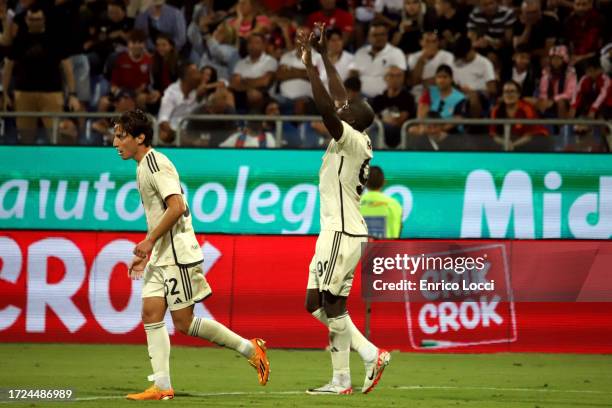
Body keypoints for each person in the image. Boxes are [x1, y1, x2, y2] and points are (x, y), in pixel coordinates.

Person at [112, 110, 270, 401]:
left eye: (121, 136)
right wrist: (150, 249)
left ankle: (251, 348)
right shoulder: (143, 166)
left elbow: (177, 206)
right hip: (161, 255)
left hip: (177, 255)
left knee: (184, 323)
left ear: (140, 137)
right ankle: (161, 386)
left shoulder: (156, 163)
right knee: (150, 314)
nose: (114, 142)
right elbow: (172, 210)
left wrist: (148, 241)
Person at [296, 23, 390, 396]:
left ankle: (366, 357)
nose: (341, 106)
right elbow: (336, 97)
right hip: (336, 231)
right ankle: (343, 376)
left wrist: (308, 67)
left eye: (347, 109)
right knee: (317, 304)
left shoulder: (350, 138)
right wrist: (322, 54)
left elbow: (325, 107)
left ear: (352, 119)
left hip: (343, 231)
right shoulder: (357, 134)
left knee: (331, 305)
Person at [349, 20, 407, 98]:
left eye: (382, 34)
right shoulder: (360, 52)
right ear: (369, 37)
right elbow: (353, 75)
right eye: (375, 35)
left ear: (387, 36)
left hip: (385, 98)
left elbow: (400, 79)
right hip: (360, 98)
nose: (379, 38)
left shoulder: (396, 53)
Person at [490, 80, 551, 151]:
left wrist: (513, 145)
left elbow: (530, 134)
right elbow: (493, 134)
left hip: (533, 141)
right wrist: (505, 143)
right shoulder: (496, 110)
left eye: (512, 91)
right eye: (506, 92)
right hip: (508, 142)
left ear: (518, 94)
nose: (509, 95)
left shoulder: (527, 108)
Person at [371, 65, 416, 148]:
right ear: (385, 78)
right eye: (391, 75)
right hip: (380, 129)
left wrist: (381, 117)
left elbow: (398, 121)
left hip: (400, 132)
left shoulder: (408, 98)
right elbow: (373, 118)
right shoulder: (378, 99)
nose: (395, 79)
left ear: (403, 78)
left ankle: (374, 153)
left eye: (399, 76)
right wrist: (383, 119)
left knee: (375, 127)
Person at [360, 166, 403, 238]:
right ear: (383, 182)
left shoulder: (355, 204)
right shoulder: (395, 205)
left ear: (365, 183)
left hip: (361, 248)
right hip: (386, 248)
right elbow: (398, 231)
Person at [537, 45, 576, 118]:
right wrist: (545, 100)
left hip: (565, 102)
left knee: (561, 103)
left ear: (564, 60)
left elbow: (569, 93)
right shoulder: (546, 73)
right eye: (553, 59)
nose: (555, 61)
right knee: (533, 101)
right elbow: (543, 91)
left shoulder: (570, 73)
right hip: (548, 101)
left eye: (558, 59)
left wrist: (553, 99)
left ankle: (562, 128)